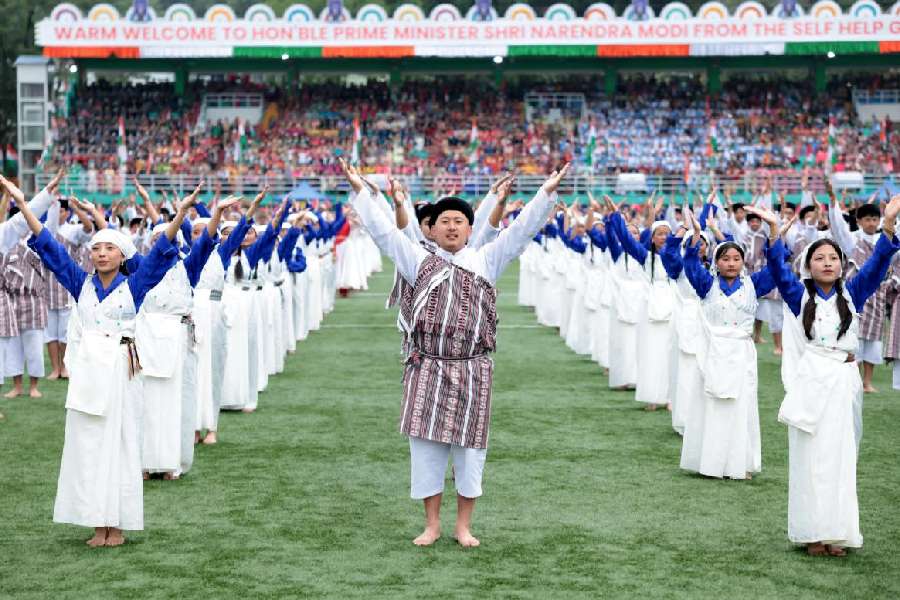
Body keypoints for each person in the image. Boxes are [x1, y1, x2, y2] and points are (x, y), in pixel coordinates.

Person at [340, 156, 569, 548]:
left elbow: (519, 233)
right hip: (427, 367)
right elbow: (384, 234)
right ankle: (431, 524)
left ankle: (464, 526)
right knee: (426, 450)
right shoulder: (419, 260)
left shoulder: (484, 260)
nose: (450, 226)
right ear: (435, 227)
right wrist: (361, 191)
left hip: (473, 369)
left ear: (469, 229)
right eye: (444, 220)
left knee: (470, 452)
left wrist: (545, 194)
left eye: (458, 221)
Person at [15, 180, 186, 547]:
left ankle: (118, 525)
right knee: (88, 444)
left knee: (121, 443)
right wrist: (22, 204)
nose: (102, 253)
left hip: (121, 374)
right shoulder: (81, 284)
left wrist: (181, 214)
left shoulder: (135, 286)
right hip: (89, 375)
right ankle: (96, 523)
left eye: (110, 248)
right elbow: (51, 248)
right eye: (97, 248)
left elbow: (159, 254)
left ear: (123, 255)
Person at [753, 196, 900, 556]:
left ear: (843, 264)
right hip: (811, 383)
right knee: (809, 457)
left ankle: (838, 532)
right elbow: (776, 267)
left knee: (840, 456)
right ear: (808, 265)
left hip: (842, 383)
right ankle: (811, 533)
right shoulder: (797, 295)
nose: (827, 263)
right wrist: (774, 231)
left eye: (833, 257)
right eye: (819, 258)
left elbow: (880, 262)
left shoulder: (853, 293)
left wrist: (889, 225)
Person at [678, 208, 779, 480]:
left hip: (742, 356)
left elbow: (776, 269)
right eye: (725, 258)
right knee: (712, 405)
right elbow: (689, 265)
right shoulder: (706, 284)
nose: (731, 263)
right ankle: (709, 463)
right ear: (716, 262)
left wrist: (775, 232)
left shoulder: (753, 285)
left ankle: (739, 463)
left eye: (736, 258)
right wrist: (695, 240)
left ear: (743, 262)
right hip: (713, 353)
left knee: (741, 407)